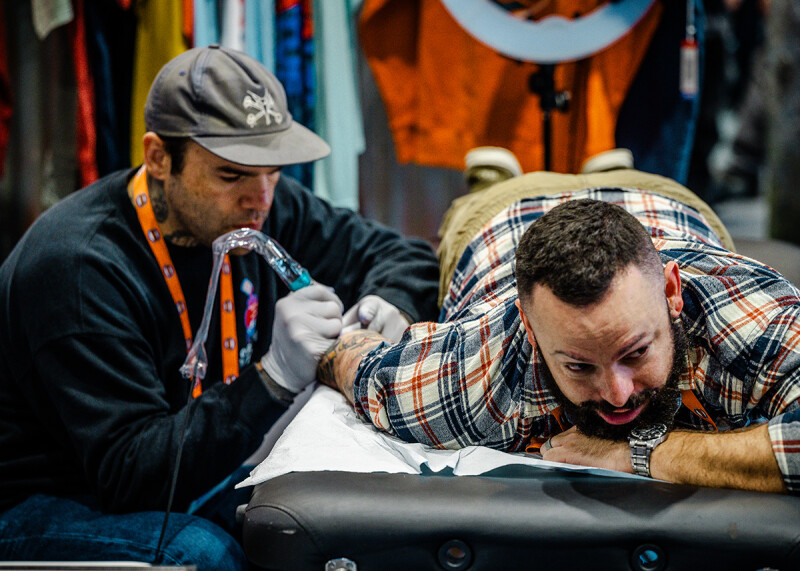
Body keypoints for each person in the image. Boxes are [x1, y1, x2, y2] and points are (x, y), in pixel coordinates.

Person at [0, 45, 439, 568]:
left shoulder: (260, 205)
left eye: (273, 171)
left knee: (330, 518)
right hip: (50, 498)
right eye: (231, 175)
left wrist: (387, 304)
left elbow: (403, 254)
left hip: (176, 472)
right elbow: (132, 477)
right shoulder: (78, 269)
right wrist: (273, 378)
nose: (261, 199)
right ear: (159, 158)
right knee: (205, 553)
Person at [318, 165, 800, 495]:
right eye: (579, 366)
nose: (617, 395)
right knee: (486, 191)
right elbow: (360, 366)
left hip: (668, 198)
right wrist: (337, 338)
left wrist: (643, 453)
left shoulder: (752, 323)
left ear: (672, 293)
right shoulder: (480, 370)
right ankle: (493, 177)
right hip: (502, 210)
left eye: (635, 353)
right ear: (530, 331)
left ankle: (611, 166)